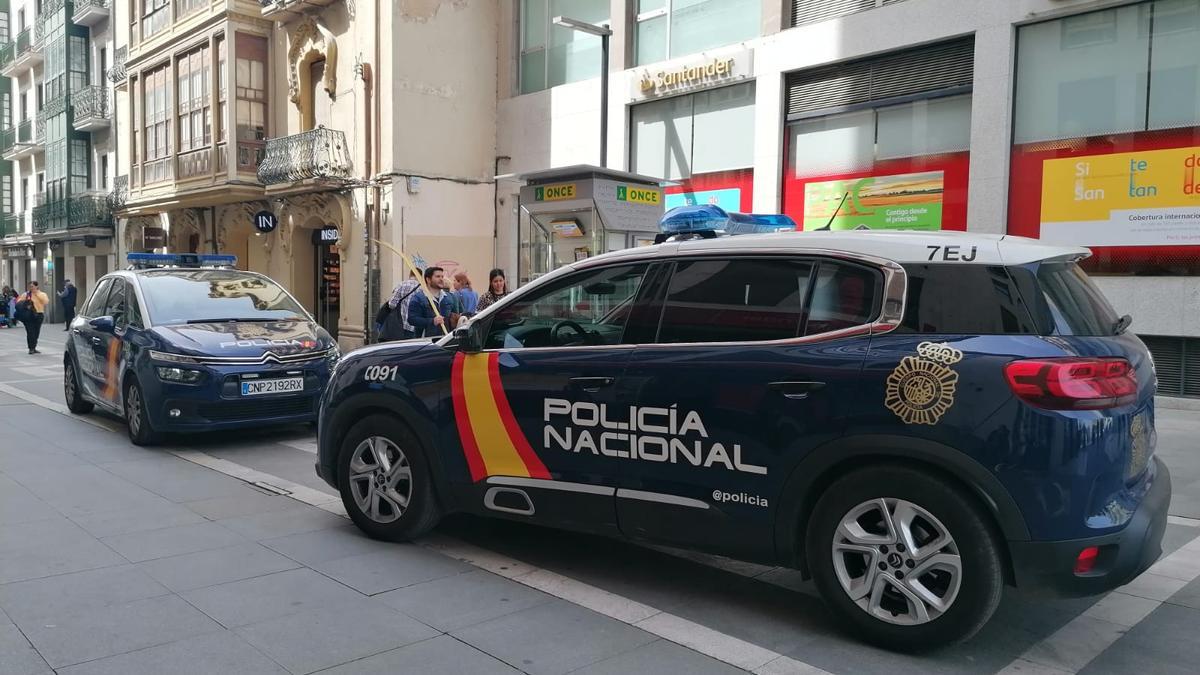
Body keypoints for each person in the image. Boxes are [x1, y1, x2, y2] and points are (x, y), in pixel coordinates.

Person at [407, 266, 456, 338]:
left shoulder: (449, 297)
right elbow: (412, 319)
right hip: (426, 342)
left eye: (442, 276)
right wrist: (432, 321)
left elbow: (455, 314)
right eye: (438, 276)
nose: (441, 279)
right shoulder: (418, 298)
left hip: (446, 340)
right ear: (428, 280)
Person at [381, 270, 422, 341]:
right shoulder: (423, 288)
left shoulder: (402, 284)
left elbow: (391, 304)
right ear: (420, 276)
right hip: (414, 327)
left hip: (399, 325)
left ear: (410, 274)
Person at [20, 280, 49, 354]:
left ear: (37, 286)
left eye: (32, 286)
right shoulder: (26, 294)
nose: (31, 288)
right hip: (28, 315)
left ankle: (34, 346)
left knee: (36, 332)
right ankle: (31, 348)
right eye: (30, 286)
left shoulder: (42, 294)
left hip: (39, 314)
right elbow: (18, 302)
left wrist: (36, 294)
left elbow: (45, 302)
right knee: (30, 332)